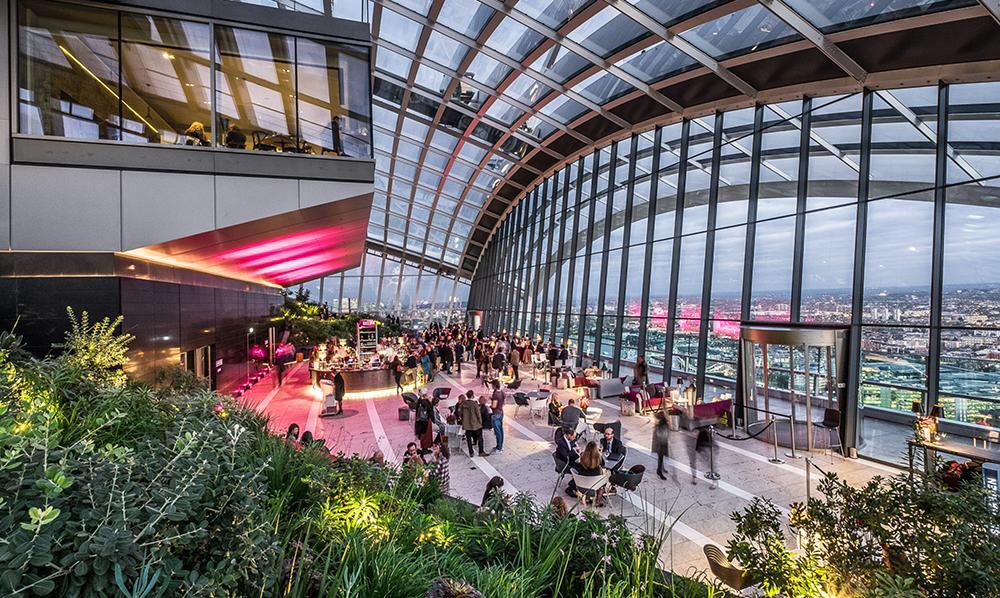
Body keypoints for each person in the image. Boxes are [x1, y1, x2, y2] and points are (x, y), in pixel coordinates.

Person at [572, 442, 608, 507]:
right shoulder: (598, 457)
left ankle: (587, 498)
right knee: (603, 484)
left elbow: (577, 463)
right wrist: (600, 453)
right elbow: (603, 465)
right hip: (595, 482)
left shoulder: (582, 455)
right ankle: (598, 501)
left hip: (582, 481)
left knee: (588, 478)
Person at [458, 390, 485, 457]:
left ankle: (471, 452)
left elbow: (460, 413)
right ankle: (481, 451)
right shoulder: (474, 404)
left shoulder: (463, 404)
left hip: (467, 424)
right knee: (480, 437)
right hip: (475, 424)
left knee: (469, 439)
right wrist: (480, 422)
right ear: (472, 395)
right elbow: (478, 414)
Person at [652, 411, 673, 481]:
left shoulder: (661, 425)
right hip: (660, 445)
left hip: (662, 444)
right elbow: (660, 435)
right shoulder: (660, 426)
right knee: (660, 458)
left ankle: (662, 469)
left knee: (661, 457)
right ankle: (659, 471)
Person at [490, 380, 505, 453]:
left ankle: (499, 448)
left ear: (494, 385)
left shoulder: (495, 394)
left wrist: (490, 406)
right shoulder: (502, 392)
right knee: (501, 431)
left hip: (496, 414)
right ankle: (500, 445)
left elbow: (494, 405)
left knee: (497, 431)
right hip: (501, 412)